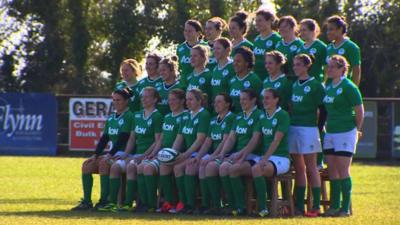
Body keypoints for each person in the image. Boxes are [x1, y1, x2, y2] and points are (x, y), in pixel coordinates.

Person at [99, 87, 163, 212]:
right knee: (116, 167)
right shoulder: (137, 115)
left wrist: (144, 155)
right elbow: (132, 139)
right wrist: (126, 154)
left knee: (131, 166)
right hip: (135, 154)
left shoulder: (157, 116)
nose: (143, 99)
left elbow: (158, 141)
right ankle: (113, 203)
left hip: (150, 155)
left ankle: (142, 203)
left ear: (155, 99)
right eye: (142, 97)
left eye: (147, 97)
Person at [71, 88, 134, 211]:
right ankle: (87, 202)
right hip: (113, 152)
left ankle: (104, 201)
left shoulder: (129, 116)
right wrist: (95, 154)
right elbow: (104, 138)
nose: (116, 102)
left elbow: (123, 138)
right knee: (87, 165)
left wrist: (109, 155)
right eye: (114, 100)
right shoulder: (111, 117)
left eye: (119, 100)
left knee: (104, 164)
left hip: (124, 154)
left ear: (126, 101)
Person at [322, 55, 364, 217]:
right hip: (330, 132)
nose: (329, 69)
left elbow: (359, 111)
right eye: (329, 66)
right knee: (332, 171)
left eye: (333, 67)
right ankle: (334, 206)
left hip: (345, 132)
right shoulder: (328, 85)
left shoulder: (349, 86)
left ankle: (345, 208)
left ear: (342, 69)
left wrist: (357, 130)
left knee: (343, 170)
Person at [289, 54, 326, 216]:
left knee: (311, 168)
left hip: (309, 129)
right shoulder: (294, 85)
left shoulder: (316, 85)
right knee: (299, 168)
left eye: (298, 65)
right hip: (294, 128)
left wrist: (317, 128)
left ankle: (316, 206)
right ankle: (299, 206)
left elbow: (323, 110)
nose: (295, 67)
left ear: (306, 66)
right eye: (294, 64)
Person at [218, 89, 263, 216]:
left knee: (233, 169)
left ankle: (241, 206)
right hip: (240, 155)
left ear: (253, 100)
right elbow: (231, 138)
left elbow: (256, 140)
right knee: (223, 167)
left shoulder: (258, 115)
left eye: (244, 99)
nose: (241, 102)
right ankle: (232, 205)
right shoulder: (239, 116)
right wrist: (222, 153)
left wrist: (240, 154)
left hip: (254, 155)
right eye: (240, 99)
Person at [191, 93, 236, 214]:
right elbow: (207, 141)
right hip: (216, 154)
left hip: (227, 154)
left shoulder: (231, 118)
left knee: (209, 166)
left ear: (227, 104)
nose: (216, 104)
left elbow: (225, 141)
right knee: (201, 164)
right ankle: (207, 204)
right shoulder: (213, 120)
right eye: (214, 102)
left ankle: (220, 204)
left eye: (219, 102)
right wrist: (200, 155)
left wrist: (213, 156)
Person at [170, 88, 211, 214]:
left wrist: (185, 155)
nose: (187, 102)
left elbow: (200, 140)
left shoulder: (204, 115)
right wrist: (171, 154)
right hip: (189, 153)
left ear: (199, 101)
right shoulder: (186, 115)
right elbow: (179, 138)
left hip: (202, 153)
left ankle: (194, 204)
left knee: (188, 167)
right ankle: (184, 203)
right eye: (187, 99)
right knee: (175, 167)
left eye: (191, 99)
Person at [251, 88, 291, 217]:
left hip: (281, 158)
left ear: (276, 99)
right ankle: (240, 207)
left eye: (268, 98)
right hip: (265, 157)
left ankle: (263, 209)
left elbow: (276, 141)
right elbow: (255, 139)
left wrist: (264, 159)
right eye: (264, 98)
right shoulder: (262, 115)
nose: (265, 101)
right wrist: (239, 155)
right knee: (235, 168)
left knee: (257, 169)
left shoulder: (282, 115)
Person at [156, 89, 188, 213]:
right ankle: (170, 202)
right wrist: (154, 154)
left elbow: (181, 139)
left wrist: (173, 154)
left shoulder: (186, 116)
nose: (171, 102)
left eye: (174, 100)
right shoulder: (167, 117)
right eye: (169, 100)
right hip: (166, 153)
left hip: (181, 152)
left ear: (182, 101)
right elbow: (161, 139)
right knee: (163, 167)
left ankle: (181, 201)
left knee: (173, 166)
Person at [326, 15, 361, 86]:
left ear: (340, 29)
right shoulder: (329, 47)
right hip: (329, 88)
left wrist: (353, 89)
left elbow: (356, 71)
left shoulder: (351, 47)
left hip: (343, 87)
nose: (328, 32)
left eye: (331, 29)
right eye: (328, 29)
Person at [228, 46, 262, 113]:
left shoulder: (254, 80)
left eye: (238, 61)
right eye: (234, 61)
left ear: (247, 63)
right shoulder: (232, 80)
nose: (235, 64)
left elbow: (260, 104)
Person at [253, 9, 281, 81]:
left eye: (260, 21)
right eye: (256, 21)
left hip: (270, 79)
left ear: (269, 21)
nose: (257, 23)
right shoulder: (256, 39)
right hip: (257, 78)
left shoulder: (277, 39)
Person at [177, 19, 207, 87]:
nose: (187, 33)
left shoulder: (206, 47)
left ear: (198, 33)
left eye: (190, 31)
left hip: (201, 84)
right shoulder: (180, 48)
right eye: (185, 30)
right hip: (184, 85)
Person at [210, 38, 235, 108]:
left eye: (218, 48)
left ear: (227, 50)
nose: (215, 51)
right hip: (216, 109)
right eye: (214, 48)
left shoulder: (232, 67)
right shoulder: (215, 69)